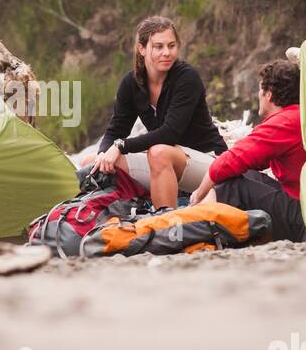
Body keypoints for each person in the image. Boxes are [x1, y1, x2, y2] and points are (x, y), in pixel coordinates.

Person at [92, 16, 228, 209]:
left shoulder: (187, 78)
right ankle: (128, 213)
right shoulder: (131, 84)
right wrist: (103, 155)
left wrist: (121, 146)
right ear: (141, 49)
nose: (166, 53)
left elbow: (169, 133)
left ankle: (166, 228)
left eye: (171, 46)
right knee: (96, 162)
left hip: (209, 163)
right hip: (169, 164)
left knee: (158, 153)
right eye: (158, 47)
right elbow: (115, 131)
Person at [188, 58, 306, 242]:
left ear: (268, 94)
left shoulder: (284, 122)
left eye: (260, 89)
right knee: (245, 175)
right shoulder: (301, 115)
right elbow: (251, 160)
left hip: (302, 218)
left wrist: (198, 193)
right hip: (304, 209)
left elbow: (229, 161)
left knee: (232, 186)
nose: (258, 95)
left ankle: (192, 229)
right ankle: (202, 224)